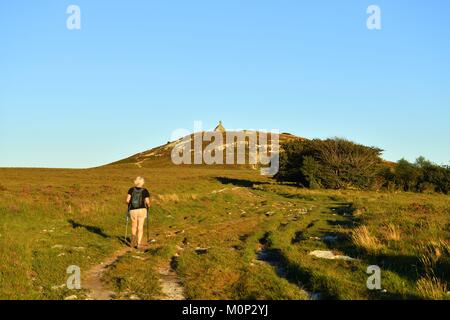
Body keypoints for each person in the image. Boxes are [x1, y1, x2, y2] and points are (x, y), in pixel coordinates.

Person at [126, 176, 150, 249]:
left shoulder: (131, 189)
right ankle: (138, 244)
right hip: (142, 210)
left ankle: (133, 240)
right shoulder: (145, 190)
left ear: (135, 182)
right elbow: (147, 202)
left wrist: (130, 205)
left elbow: (127, 200)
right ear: (142, 182)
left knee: (134, 225)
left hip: (133, 210)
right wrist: (148, 206)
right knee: (140, 227)